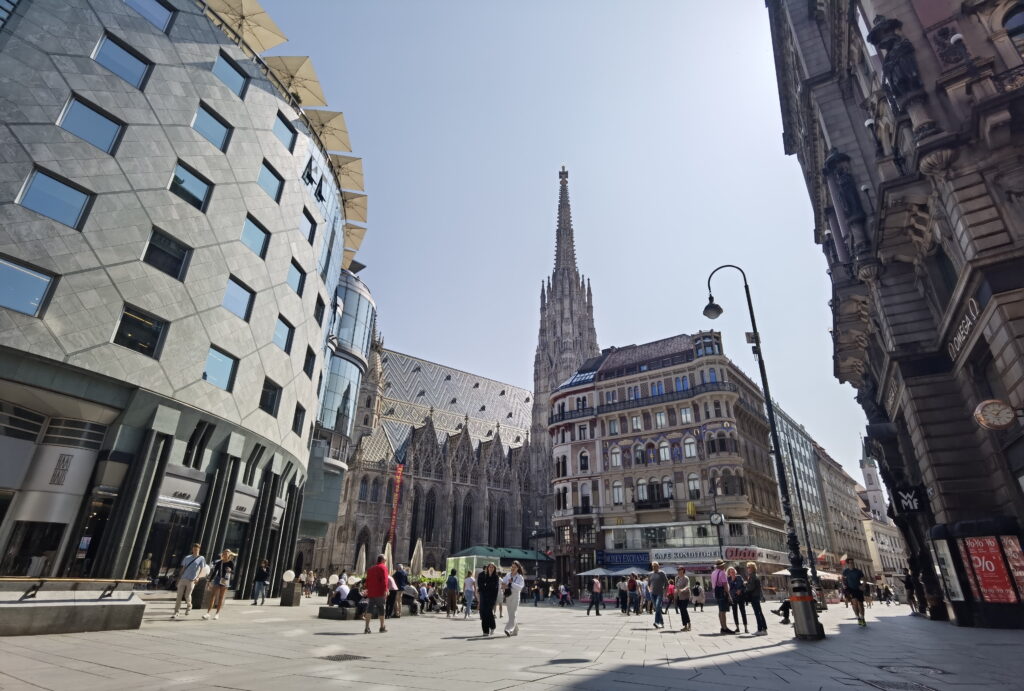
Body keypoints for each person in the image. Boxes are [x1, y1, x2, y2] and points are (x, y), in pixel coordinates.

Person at [171, 543, 206, 619]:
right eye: (194, 549)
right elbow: (183, 568)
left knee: (187, 595)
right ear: (192, 549)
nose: (195, 550)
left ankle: (189, 606)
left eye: (197, 549)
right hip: (183, 579)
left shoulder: (201, 558)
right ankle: (176, 612)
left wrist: (198, 578)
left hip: (191, 580)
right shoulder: (187, 557)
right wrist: (179, 578)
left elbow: (202, 569)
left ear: (199, 549)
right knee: (179, 596)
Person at [202, 549, 235, 621]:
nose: (225, 555)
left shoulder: (231, 563)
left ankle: (217, 613)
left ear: (229, 555)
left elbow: (233, 572)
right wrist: (209, 581)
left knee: (220, 597)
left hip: (225, 580)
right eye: (224, 553)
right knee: (212, 596)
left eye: (227, 554)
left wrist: (230, 571)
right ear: (223, 554)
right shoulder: (219, 562)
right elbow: (214, 572)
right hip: (217, 579)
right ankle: (208, 613)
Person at [364, 554, 389, 633]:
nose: (385, 562)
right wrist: (386, 590)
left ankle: (367, 627)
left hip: (371, 592)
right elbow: (385, 580)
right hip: (380, 592)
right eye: (385, 560)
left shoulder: (370, 569)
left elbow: (367, 581)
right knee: (381, 609)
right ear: (382, 560)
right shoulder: (383, 567)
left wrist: (368, 590)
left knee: (369, 609)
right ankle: (382, 627)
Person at [501, 560, 525, 637]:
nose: (513, 568)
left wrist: (511, 584)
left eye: (515, 567)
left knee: (513, 613)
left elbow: (520, 587)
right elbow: (503, 584)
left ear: (518, 568)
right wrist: (505, 585)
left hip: (515, 596)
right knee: (510, 614)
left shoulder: (520, 577)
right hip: (508, 595)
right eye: (512, 567)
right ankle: (516, 629)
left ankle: (508, 629)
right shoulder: (508, 575)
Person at [842, 557, 867, 627]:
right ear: (847, 564)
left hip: (858, 589)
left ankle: (862, 618)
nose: (852, 564)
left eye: (852, 562)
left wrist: (863, 585)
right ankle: (858, 617)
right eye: (850, 563)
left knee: (861, 604)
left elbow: (864, 579)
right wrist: (844, 585)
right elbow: (842, 579)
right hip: (851, 589)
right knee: (855, 603)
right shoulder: (845, 571)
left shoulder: (858, 571)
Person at [744, 562, 767, 636]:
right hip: (756, 596)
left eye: (749, 567)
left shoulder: (752, 576)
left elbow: (751, 587)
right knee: (759, 612)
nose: (747, 569)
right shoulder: (755, 575)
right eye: (747, 567)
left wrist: (745, 584)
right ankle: (764, 629)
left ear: (752, 568)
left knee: (757, 613)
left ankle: (760, 629)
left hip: (754, 596)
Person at [711, 559, 734, 634]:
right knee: (723, 611)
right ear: (721, 566)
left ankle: (722, 627)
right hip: (722, 592)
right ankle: (725, 628)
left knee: (720, 610)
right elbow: (725, 585)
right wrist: (729, 595)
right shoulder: (722, 573)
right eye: (723, 565)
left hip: (716, 592)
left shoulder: (713, 573)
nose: (724, 566)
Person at [478, 562, 500, 636]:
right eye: (490, 567)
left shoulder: (496, 577)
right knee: (484, 613)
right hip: (484, 597)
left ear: (494, 569)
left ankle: (492, 626)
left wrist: (486, 586)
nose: (491, 568)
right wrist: (486, 586)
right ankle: (485, 631)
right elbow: (481, 586)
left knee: (489, 612)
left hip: (491, 598)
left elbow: (494, 587)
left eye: (492, 567)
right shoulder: (484, 576)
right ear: (487, 568)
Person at [727, 566, 748, 634]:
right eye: (731, 572)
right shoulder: (728, 579)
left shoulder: (739, 577)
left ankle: (745, 628)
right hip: (733, 598)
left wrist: (740, 590)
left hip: (741, 597)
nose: (732, 573)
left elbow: (743, 586)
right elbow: (728, 589)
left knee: (743, 612)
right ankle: (737, 627)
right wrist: (734, 591)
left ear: (735, 572)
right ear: (729, 573)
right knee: (734, 612)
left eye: (733, 572)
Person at [648, 562, 669, 629]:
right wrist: (649, 590)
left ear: (658, 566)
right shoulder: (650, 574)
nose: (654, 567)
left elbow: (667, 583)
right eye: (653, 566)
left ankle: (656, 622)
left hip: (660, 593)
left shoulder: (662, 573)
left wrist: (665, 592)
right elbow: (648, 584)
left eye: (655, 566)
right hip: (652, 594)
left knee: (657, 607)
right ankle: (662, 623)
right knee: (658, 609)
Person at [674, 567, 691, 631]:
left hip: (686, 595)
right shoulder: (677, 578)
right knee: (681, 610)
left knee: (684, 609)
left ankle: (689, 624)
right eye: (678, 570)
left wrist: (683, 589)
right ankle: (685, 625)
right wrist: (675, 590)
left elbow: (688, 586)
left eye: (680, 570)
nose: (678, 571)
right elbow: (676, 587)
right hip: (679, 596)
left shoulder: (686, 578)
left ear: (683, 570)